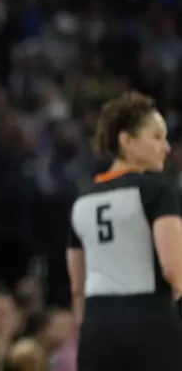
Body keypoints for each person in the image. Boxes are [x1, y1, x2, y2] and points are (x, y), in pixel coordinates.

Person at [66, 91, 182, 371]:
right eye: (156, 137)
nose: (165, 147)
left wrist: (89, 332)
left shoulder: (82, 198)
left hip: (96, 330)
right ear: (126, 140)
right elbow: (173, 268)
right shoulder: (159, 188)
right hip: (151, 326)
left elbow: (77, 286)